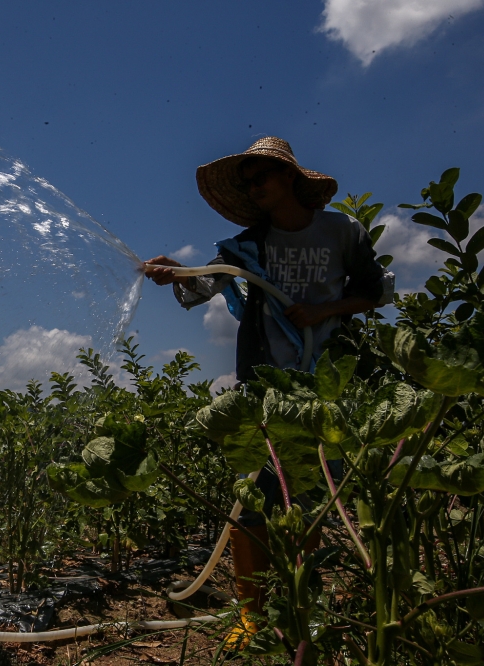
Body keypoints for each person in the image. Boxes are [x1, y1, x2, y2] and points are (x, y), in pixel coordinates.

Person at [144, 137, 393, 646]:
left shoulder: (340, 231)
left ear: (291, 179)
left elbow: (374, 290)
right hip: (262, 389)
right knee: (250, 505)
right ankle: (250, 615)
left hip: (323, 386)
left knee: (307, 501)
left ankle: (299, 606)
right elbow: (204, 285)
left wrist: (324, 311)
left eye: (263, 177)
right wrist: (173, 272)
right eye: (249, 181)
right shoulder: (246, 247)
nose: (255, 187)